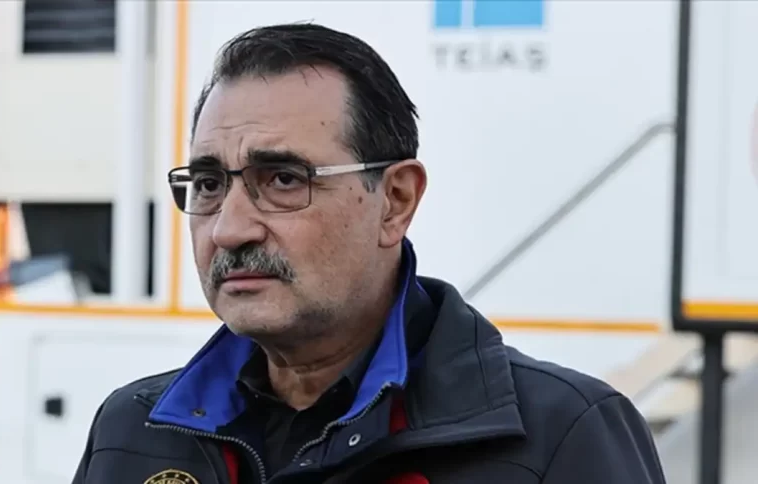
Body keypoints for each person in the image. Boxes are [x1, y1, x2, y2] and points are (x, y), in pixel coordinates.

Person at [72, 23, 666, 484]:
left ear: (395, 202)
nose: (229, 229)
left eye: (283, 180)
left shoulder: (558, 435)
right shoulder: (133, 434)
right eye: (208, 184)